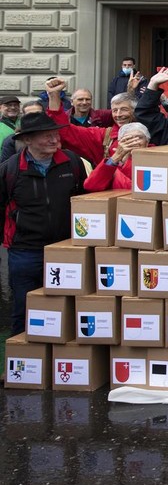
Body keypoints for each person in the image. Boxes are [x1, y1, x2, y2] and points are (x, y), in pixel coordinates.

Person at [0, 110, 87, 335]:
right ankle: (20, 362)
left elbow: (84, 201)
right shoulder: (9, 170)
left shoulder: (72, 162)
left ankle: (61, 361)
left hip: (65, 249)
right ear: (27, 140)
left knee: (67, 306)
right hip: (25, 252)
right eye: (46, 136)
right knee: (24, 308)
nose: (54, 139)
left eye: (55, 134)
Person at [46, 79, 134, 167]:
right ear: (72, 102)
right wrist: (54, 96)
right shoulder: (103, 136)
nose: (118, 115)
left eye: (124, 109)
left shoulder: (146, 133)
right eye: (115, 110)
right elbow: (64, 131)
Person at [83, 122, 151, 191]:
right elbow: (91, 186)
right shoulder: (114, 163)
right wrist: (116, 157)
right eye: (128, 139)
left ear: (147, 142)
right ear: (120, 143)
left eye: (139, 137)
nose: (134, 142)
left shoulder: (155, 160)